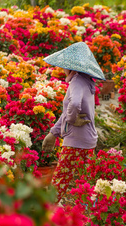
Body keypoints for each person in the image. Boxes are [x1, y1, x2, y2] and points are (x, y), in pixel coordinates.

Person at [41, 42, 106, 203]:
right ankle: (89, 217)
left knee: (60, 180)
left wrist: (71, 119)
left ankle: (46, 216)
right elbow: (69, 111)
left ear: (72, 67)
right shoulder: (86, 81)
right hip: (88, 140)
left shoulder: (76, 81)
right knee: (87, 184)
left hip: (75, 141)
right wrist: (54, 132)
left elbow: (74, 105)